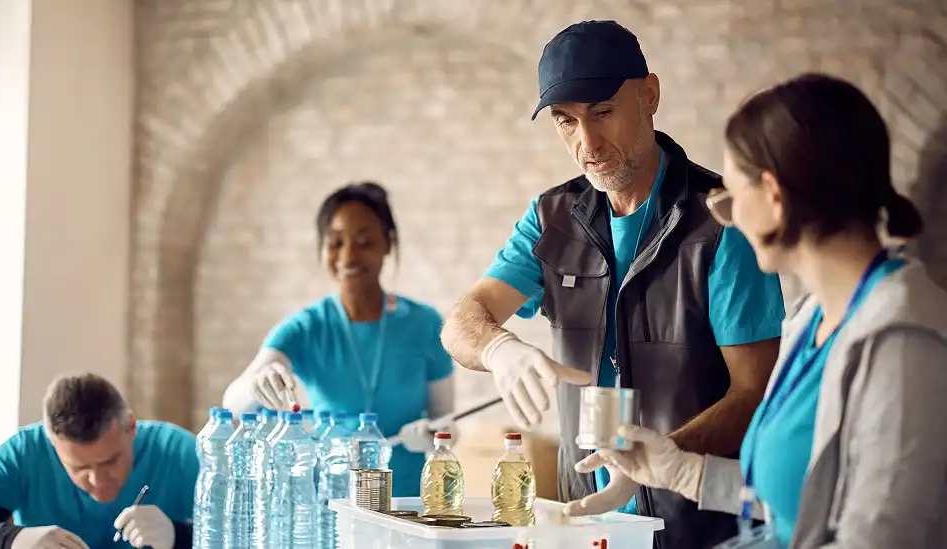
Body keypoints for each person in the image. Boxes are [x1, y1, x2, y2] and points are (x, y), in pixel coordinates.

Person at [441, 20, 785, 549]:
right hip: (586, 528)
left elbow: (755, 391)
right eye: (566, 121)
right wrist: (498, 349)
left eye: (602, 112)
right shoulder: (552, 218)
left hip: (697, 531)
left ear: (649, 96)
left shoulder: (721, 220)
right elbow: (463, 321)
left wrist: (659, 459)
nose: (587, 143)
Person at [578, 74, 947, 549]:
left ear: (773, 197)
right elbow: (798, 504)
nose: (727, 217)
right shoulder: (812, 320)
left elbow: (881, 539)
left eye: (731, 196)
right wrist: (681, 471)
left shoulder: (903, 345)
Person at [222, 181, 456, 497]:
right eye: (335, 242)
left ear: (388, 244)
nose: (348, 256)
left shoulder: (425, 324)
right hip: (330, 504)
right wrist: (255, 384)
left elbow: (447, 420)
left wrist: (437, 435)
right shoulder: (305, 328)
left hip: (406, 506)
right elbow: (231, 402)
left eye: (364, 241)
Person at [0, 374, 198, 549]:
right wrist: (12, 539)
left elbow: (223, 532)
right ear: (51, 443)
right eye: (80, 467)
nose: (98, 480)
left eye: (110, 461)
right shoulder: (23, 452)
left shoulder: (178, 451)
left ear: (131, 427)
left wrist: (178, 536)